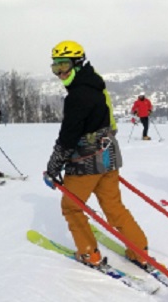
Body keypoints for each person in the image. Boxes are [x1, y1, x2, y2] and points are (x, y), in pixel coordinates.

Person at [43, 40, 150, 268]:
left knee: (72, 206)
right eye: (55, 68)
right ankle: (139, 250)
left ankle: (89, 253)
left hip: (86, 162)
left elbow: (67, 137)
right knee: (113, 206)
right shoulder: (96, 84)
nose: (59, 73)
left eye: (63, 66)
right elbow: (109, 119)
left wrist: (53, 166)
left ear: (78, 64)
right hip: (108, 154)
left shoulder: (77, 96)